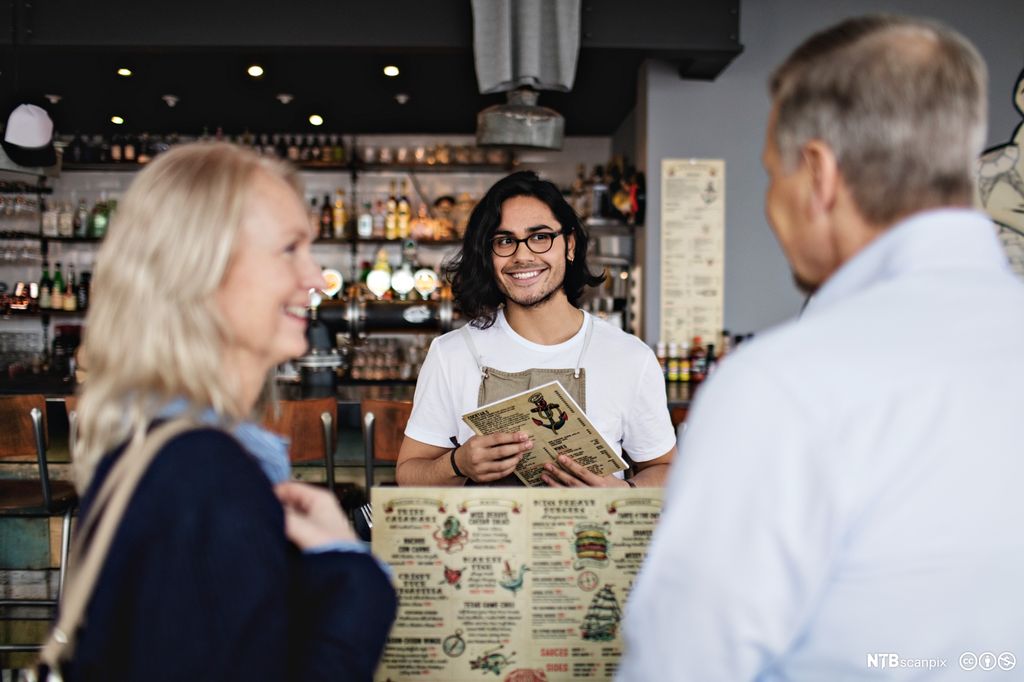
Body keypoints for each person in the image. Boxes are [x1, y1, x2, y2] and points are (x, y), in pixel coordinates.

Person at [620, 15, 1024, 681]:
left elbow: (681, 667)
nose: (773, 204)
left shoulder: (782, 388)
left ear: (819, 174)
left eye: (772, 173)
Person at [62, 143, 396, 680]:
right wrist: (351, 571)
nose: (317, 278)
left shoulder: (160, 446)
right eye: (291, 249)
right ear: (200, 268)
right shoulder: (201, 474)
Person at [397, 171, 675, 487]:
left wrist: (624, 492)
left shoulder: (628, 356)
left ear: (569, 245)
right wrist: (456, 463)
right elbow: (409, 475)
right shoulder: (453, 353)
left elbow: (666, 469)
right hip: (486, 536)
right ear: (488, 255)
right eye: (504, 241)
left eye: (540, 237)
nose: (523, 255)